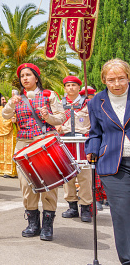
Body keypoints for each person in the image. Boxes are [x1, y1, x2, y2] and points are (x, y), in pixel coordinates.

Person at [2, 63, 65, 241]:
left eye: (28, 75)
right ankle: (32, 223)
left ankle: (47, 225)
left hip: (44, 141)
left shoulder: (49, 95)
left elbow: (61, 117)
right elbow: (5, 115)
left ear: (36, 78)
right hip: (23, 143)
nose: (25, 79)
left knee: (49, 184)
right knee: (26, 184)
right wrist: (10, 105)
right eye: (22, 76)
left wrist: (48, 117)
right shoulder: (17, 97)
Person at [86, 58, 130, 264]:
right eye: (111, 79)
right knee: (121, 214)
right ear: (104, 80)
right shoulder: (96, 102)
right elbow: (95, 133)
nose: (117, 84)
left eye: (122, 78)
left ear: (128, 77)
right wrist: (92, 149)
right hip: (114, 164)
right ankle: (127, 259)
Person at [56, 76, 92, 223]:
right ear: (65, 88)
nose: (71, 88)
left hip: (83, 142)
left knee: (84, 177)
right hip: (66, 142)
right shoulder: (59, 104)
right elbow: (53, 120)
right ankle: (72, 206)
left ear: (79, 87)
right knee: (68, 176)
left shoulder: (87, 103)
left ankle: (85, 207)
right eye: (68, 85)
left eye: (74, 85)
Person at [0, 94, 18, 178]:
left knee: (11, 153)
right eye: (3, 99)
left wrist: (15, 121)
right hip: (0, 136)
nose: (4, 101)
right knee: (1, 154)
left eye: (6, 99)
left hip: (12, 135)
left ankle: (11, 172)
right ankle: (0, 171)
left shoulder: (15, 109)